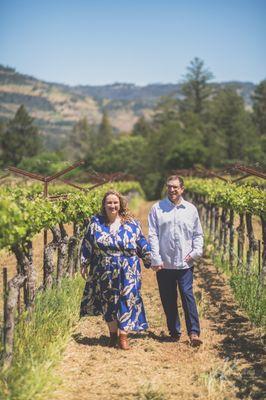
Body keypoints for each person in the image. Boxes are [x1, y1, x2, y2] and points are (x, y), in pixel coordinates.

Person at [80, 189, 151, 350]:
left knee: (128, 298)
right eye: (109, 203)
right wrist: (84, 262)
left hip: (128, 268)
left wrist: (151, 259)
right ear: (104, 205)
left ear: (120, 204)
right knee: (108, 301)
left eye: (115, 202)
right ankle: (113, 335)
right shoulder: (95, 222)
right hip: (104, 268)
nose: (112, 205)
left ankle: (123, 336)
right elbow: (87, 243)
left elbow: (141, 242)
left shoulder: (131, 223)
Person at [148, 175, 204, 346]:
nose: (172, 190)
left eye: (175, 187)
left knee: (187, 296)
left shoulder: (191, 209)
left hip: (185, 263)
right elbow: (152, 235)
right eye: (169, 186)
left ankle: (194, 333)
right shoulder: (157, 208)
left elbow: (198, 234)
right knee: (168, 298)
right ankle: (174, 331)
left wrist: (196, 253)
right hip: (164, 263)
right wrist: (156, 258)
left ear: (182, 189)